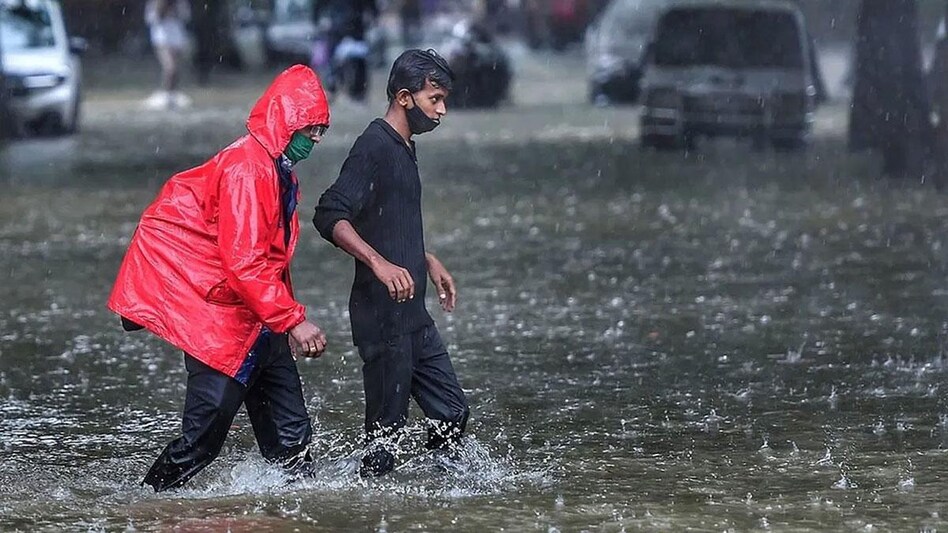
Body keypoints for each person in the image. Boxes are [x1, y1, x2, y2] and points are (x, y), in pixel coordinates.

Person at [108, 65, 332, 492]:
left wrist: (283, 320)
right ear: (286, 123)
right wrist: (294, 320)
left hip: (262, 326)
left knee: (293, 450)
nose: (317, 139)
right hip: (225, 331)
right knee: (200, 445)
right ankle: (141, 504)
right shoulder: (249, 170)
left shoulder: (274, 169)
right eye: (312, 129)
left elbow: (269, 259)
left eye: (321, 129)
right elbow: (245, 263)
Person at [313, 49, 470, 477]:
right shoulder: (374, 146)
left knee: (452, 412)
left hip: (413, 314)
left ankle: (438, 496)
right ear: (404, 97)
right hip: (381, 316)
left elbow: (386, 218)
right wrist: (379, 265)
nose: (442, 110)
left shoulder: (405, 146)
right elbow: (330, 214)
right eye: (434, 99)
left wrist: (424, 257)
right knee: (386, 437)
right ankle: (372, 507)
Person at [144, 0, 191, 109]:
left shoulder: (180, 2)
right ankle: (166, 94)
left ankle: (172, 94)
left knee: (175, 70)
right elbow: (150, 18)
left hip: (177, 38)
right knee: (170, 68)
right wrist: (162, 9)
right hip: (162, 38)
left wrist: (175, 10)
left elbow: (186, 16)